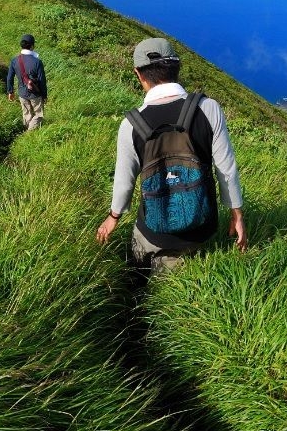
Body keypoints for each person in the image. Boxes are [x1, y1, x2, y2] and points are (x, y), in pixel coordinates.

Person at [96, 37, 247, 272]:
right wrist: (236, 213)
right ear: (176, 68)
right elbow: (226, 169)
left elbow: (124, 182)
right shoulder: (208, 108)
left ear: (139, 74)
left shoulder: (131, 125)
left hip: (154, 234)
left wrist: (113, 217)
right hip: (202, 228)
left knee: (142, 272)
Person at [5, 34, 48, 130]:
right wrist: (44, 95)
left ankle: (26, 131)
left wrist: (10, 91)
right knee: (39, 115)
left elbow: (9, 78)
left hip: (22, 93)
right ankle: (29, 134)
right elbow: (42, 80)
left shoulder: (14, 60)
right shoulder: (37, 62)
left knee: (26, 114)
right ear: (32, 46)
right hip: (35, 93)